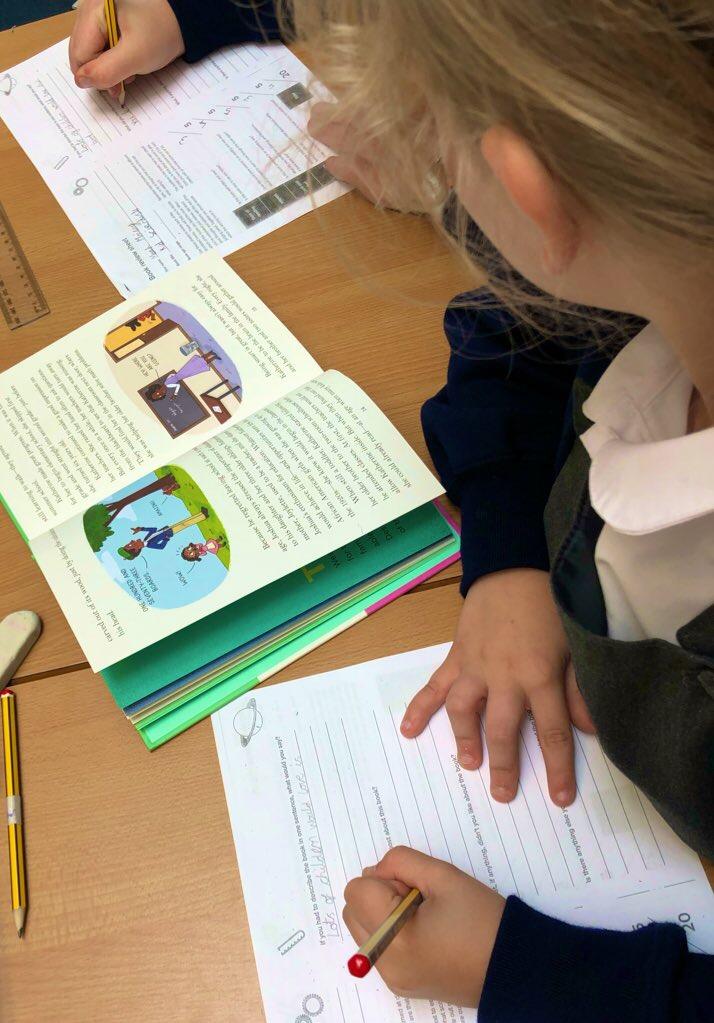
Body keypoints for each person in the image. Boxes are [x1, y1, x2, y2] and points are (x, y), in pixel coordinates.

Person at [69, 2, 714, 1019]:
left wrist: (528, 975)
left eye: (429, 135)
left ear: (524, 191)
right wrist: (507, 550)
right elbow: (529, 324)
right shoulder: (664, 261)